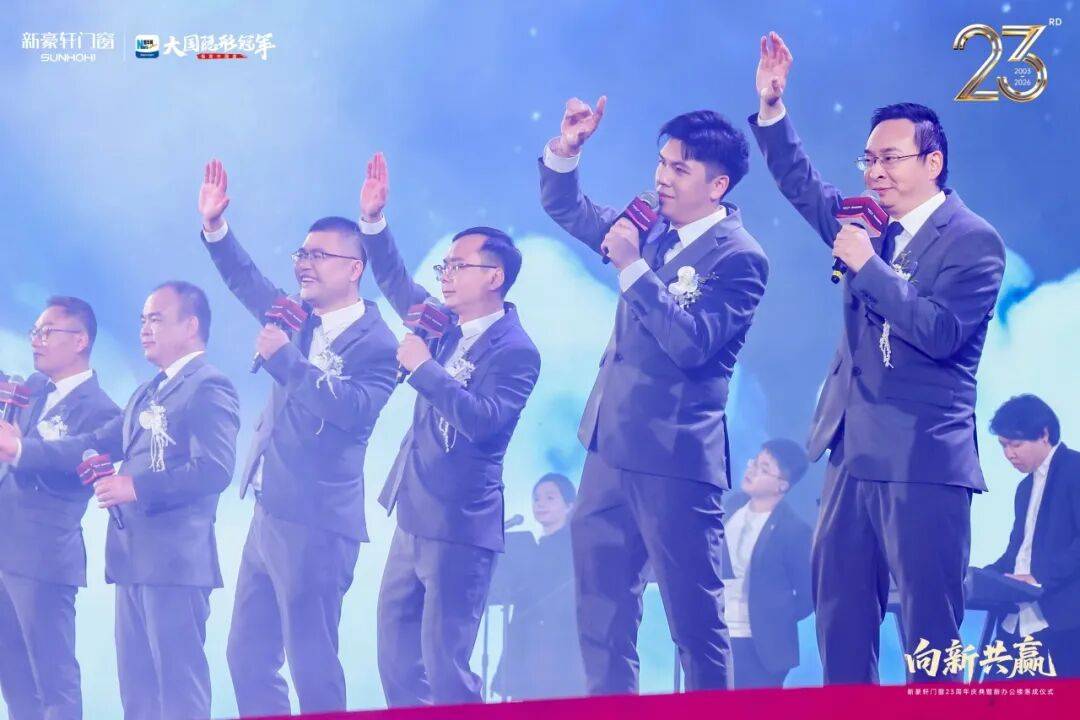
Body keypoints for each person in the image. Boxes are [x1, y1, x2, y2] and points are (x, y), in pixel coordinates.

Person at [749, 32, 1006, 683]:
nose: (875, 173)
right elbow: (803, 186)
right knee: (840, 624)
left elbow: (941, 333)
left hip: (922, 460)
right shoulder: (866, 223)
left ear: (933, 161)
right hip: (850, 455)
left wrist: (868, 266)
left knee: (929, 633)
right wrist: (773, 108)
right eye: (868, 159)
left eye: (891, 158)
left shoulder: (973, 241)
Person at [538, 98, 768, 693]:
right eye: (661, 163)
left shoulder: (741, 258)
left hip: (675, 461)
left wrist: (634, 270)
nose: (662, 177)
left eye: (679, 169)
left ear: (717, 185)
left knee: (695, 624)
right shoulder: (649, 226)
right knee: (601, 618)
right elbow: (568, 208)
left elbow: (692, 345)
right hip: (608, 451)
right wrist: (567, 151)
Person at [196, 159, 399, 716]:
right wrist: (215, 227)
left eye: (318, 255)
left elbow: (354, 411)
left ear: (354, 267)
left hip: (317, 524)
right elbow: (246, 280)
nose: (304, 265)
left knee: (312, 663)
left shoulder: (379, 343)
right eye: (301, 254)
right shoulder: (296, 316)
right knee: (246, 656)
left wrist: (286, 361)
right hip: (268, 511)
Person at [0, 281, 240, 719]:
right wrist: (23, 449)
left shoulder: (209, 386)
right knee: (139, 697)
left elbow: (215, 469)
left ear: (190, 326)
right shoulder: (146, 393)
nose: (145, 328)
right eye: (143, 319)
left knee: (179, 695)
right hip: (132, 559)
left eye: (156, 319)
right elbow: (88, 445)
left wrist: (136, 487)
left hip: (175, 564)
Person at [358, 152, 541, 706]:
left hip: (461, 525)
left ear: (494, 277)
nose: (445, 276)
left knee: (445, 667)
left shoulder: (517, 351)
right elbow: (395, 282)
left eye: (457, 267)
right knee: (394, 659)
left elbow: (483, 421)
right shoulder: (441, 323)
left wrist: (423, 369)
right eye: (444, 267)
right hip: (412, 515)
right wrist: (373, 222)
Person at [0, 297, 120, 720]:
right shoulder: (30, 390)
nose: (36, 340)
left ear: (80, 340)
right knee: (14, 681)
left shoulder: (104, 413)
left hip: (44, 561)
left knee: (54, 684)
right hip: (4, 550)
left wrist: (21, 448)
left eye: (46, 332)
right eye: (34, 332)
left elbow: (73, 456)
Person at [985, 394, 1080, 678]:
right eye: (1003, 446)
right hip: (1015, 619)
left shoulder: (1075, 470)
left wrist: (1038, 577)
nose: (1009, 454)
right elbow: (1017, 552)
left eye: (1016, 444)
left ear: (1044, 434)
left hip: (1061, 619)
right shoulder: (1024, 488)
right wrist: (984, 575)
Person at [723, 439, 812, 689]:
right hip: (719, 634)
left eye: (763, 468)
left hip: (760, 647)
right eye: (754, 462)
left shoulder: (793, 530)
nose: (751, 470)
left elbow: (808, 595)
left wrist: (774, 616)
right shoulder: (731, 506)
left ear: (782, 485)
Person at [494, 473, 586, 700]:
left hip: (559, 648)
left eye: (550, 498)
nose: (540, 503)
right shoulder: (530, 548)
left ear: (569, 506)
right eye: (536, 498)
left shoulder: (575, 548)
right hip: (526, 644)